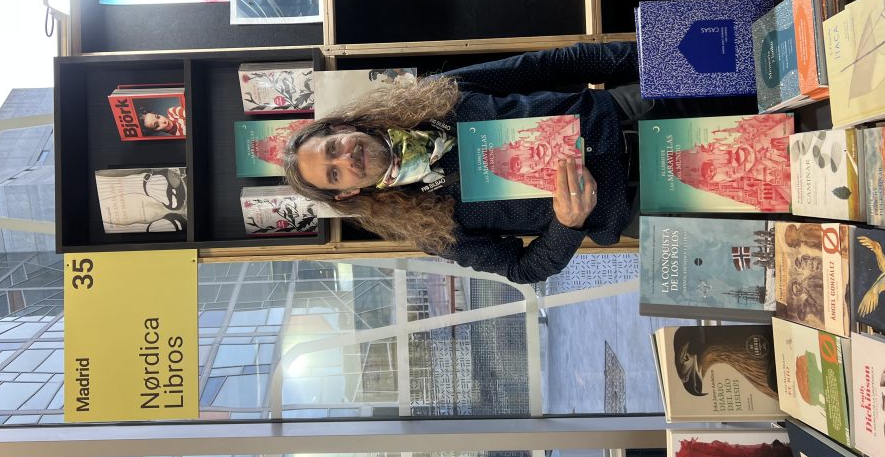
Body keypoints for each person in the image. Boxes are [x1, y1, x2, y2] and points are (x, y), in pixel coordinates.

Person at [282, 42, 755, 285]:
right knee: (788, 179)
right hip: (646, 203)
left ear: (341, 127)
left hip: (641, 112)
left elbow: (546, 67)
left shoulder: (434, 97)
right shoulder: (428, 227)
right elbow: (523, 270)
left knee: (777, 94)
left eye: (333, 146)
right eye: (334, 173)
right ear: (347, 193)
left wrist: (659, 63)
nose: (346, 157)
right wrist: (568, 224)